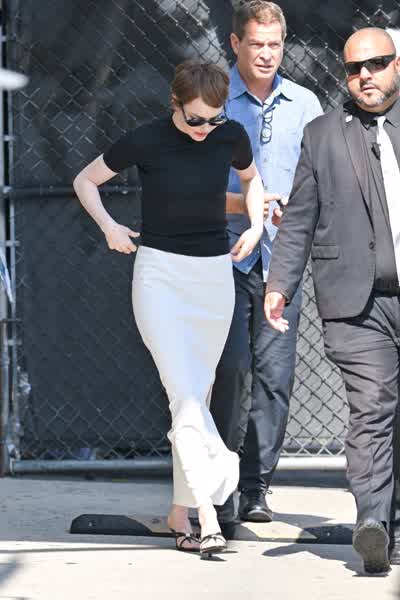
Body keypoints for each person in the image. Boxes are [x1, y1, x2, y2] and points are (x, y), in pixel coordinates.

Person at [73, 60, 264, 557]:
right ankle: (208, 516)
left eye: (214, 119)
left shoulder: (230, 135)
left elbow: (252, 180)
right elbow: (85, 180)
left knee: (194, 397)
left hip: (213, 278)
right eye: (195, 119)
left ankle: (180, 513)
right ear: (175, 104)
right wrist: (110, 227)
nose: (205, 129)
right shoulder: (146, 138)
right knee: (184, 394)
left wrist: (256, 226)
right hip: (159, 276)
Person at [265, 27, 400, 574]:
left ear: (397, 65)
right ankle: (373, 524)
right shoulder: (322, 135)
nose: (364, 75)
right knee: (372, 406)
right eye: (353, 68)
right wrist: (279, 284)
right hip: (356, 303)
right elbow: (299, 217)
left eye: (376, 63)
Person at [210, 0, 323, 525]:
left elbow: (321, 180)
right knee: (230, 371)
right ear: (236, 43)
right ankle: (219, 486)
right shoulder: (213, 100)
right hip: (222, 257)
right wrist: (250, 205)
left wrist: (295, 208)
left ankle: (256, 488)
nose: (266, 54)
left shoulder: (304, 103)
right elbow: (191, 188)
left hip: (282, 261)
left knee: (275, 375)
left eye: (275, 44)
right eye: (256, 43)